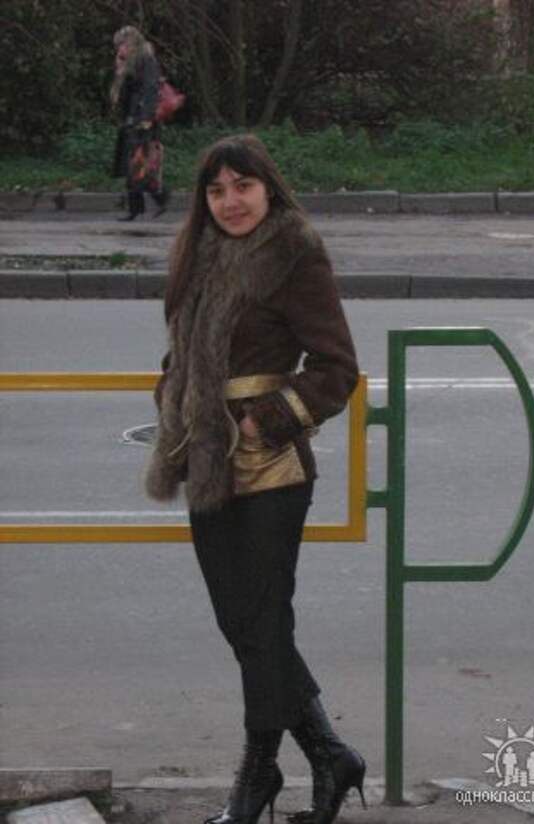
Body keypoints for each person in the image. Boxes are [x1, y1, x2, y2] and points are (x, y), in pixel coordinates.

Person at [145, 133, 365, 824]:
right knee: (241, 622)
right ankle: (330, 755)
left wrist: (260, 422)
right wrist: (173, 394)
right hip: (205, 461)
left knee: (264, 621)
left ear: (268, 187)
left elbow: (337, 369)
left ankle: (257, 774)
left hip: (270, 465)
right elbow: (184, 350)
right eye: (216, 190)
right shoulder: (198, 252)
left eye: (243, 186)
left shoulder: (294, 252)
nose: (230, 201)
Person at [110, 25, 170, 220]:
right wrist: (120, 70)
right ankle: (139, 207)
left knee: (137, 164)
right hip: (131, 118)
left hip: (143, 119)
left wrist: (146, 117)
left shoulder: (146, 59)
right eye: (118, 45)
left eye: (122, 44)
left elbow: (151, 88)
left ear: (132, 43)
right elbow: (122, 95)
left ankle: (158, 198)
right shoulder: (129, 62)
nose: (120, 48)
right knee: (133, 164)